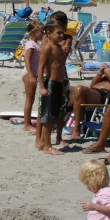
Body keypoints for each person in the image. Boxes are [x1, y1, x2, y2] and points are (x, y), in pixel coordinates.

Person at [66, 42, 110, 140]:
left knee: (79, 89)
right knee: (65, 89)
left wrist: (108, 74)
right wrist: (100, 73)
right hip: (95, 92)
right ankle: (56, 122)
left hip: (107, 97)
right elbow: (92, 86)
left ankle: (76, 130)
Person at [35, 11, 72, 150]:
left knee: (55, 113)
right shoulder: (48, 46)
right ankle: (46, 145)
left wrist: (62, 84)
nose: (61, 35)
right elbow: (41, 67)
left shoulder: (58, 45)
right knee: (46, 115)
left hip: (59, 82)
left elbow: (62, 63)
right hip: (50, 82)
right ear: (49, 33)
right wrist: (42, 86)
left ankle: (49, 142)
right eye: (59, 33)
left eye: (62, 32)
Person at [21, 21, 44, 132]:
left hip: (33, 74)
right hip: (29, 74)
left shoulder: (36, 44)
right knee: (29, 100)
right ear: (34, 32)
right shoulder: (30, 44)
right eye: (41, 31)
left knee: (31, 100)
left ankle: (28, 122)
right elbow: (27, 60)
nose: (43, 34)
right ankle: (27, 124)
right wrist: (31, 75)